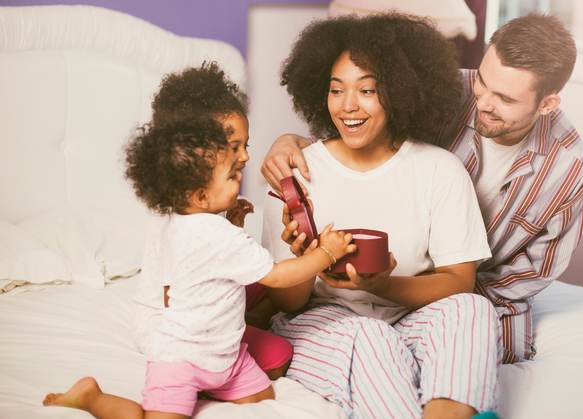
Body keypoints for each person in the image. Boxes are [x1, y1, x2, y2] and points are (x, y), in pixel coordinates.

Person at [262, 12, 583, 366]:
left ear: (547, 104)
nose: (481, 102)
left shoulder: (568, 175)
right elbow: (365, 139)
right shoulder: (447, 90)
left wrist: (423, 284)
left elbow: (523, 280)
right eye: (482, 81)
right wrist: (291, 141)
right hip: (381, 287)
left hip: (470, 295)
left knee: (476, 331)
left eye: (505, 99)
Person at [261, 12, 499, 419]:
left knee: (473, 309)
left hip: (407, 318)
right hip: (322, 324)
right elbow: (285, 300)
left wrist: (383, 286)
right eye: (337, 91)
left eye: (367, 90)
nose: (348, 106)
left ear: (400, 91)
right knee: (370, 338)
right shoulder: (295, 173)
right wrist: (308, 262)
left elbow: (461, 283)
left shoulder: (438, 170)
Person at [43, 117, 356, 418]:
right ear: (202, 196)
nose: (240, 176)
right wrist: (326, 253)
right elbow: (276, 276)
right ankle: (93, 398)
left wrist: (231, 220)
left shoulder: (178, 224)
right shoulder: (220, 237)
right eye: (232, 177)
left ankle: (205, 389)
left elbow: (204, 264)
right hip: (180, 359)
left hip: (225, 356)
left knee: (262, 397)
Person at [134, 62, 290, 380]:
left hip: (200, 301)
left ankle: (255, 315)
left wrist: (231, 227)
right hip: (182, 332)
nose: (245, 157)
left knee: (264, 281)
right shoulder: (168, 222)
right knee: (280, 354)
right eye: (234, 148)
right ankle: (250, 325)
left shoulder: (198, 202)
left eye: (246, 145)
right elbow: (175, 298)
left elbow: (209, 258)